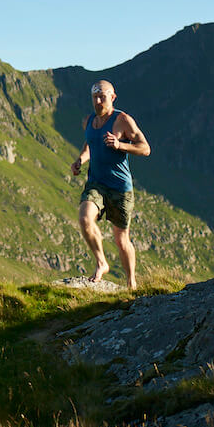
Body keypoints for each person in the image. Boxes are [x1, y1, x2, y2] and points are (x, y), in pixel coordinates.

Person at [71, 80, 151, 289]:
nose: (98, 101)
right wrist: (80, 160)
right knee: (85, 218)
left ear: (112, 97)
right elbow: (90, 143)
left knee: (121, 239)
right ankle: (101, 263)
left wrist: (120, 145)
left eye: (103, 97)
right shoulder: (88, 121)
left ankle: (131, 282)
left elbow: (145, 148)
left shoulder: (122, 120)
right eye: (95, 97)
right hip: (96, 183)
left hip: (119, 187)